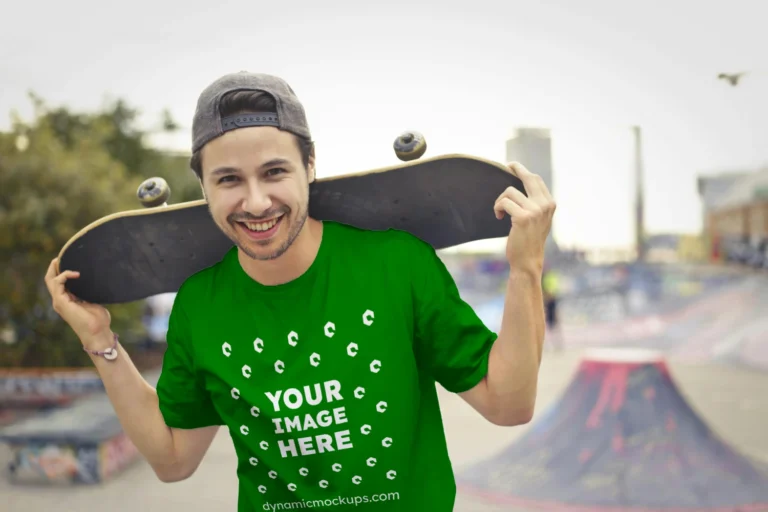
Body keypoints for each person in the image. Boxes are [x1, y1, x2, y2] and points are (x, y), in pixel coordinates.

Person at [45, 71, 556, 511]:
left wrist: (525, 269)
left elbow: (508, 405)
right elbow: (173, 459)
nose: (256, 201)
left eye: (275, 172)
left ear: (310, 165)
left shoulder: (397, 264)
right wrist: (101, 342)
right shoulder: (200, 306)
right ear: (203, 188)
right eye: (228, 180)